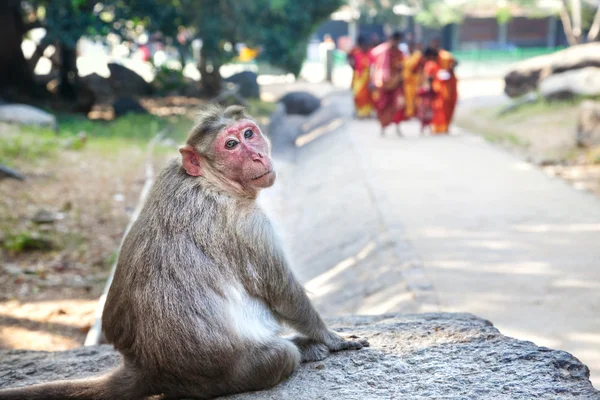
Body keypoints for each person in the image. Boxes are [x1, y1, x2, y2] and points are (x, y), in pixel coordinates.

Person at [370, 31, 406, 136]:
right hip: (383, 83)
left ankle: (397, 126)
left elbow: (402, 66)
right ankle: (383, 127)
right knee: (383, 105)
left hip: (396, 82)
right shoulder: (381, 51)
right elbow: (374, 65)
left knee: (398, 105)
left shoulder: (399, 52)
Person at [426, 38, 458, 134]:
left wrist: (449, 70)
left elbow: (455, 62)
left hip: (448, 87)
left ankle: (445, 127)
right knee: (437, 107)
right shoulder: (431, 63)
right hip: (437, 89)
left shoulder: (445, 56)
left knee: (446, 106)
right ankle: (437, 127)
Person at [348, 35, 374, 118]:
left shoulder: (370, 53)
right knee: (358, 94)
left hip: (367, 78)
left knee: (368, 95)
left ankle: (366, 112)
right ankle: (359, 111)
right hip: (358, 77)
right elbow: (351, 60)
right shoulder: (356, 52)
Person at [402, 41, 423, 119]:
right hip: (407, 82)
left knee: (416, 98)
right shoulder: (405, 57)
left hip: (415, 81)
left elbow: (419, 67)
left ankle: (416, 113)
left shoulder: (417, 56)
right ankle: (409, 114)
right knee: (408, 98)